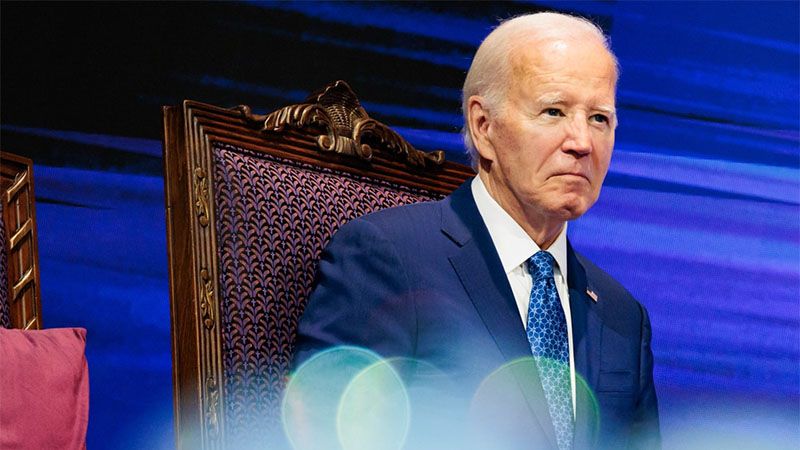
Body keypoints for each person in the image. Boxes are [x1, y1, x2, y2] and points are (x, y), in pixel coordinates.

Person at [293, 12, 660, 450]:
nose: (582, 142)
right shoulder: (387, 258)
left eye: (599, 118)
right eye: (553, 111)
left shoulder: (623, 316)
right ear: (484, 127)